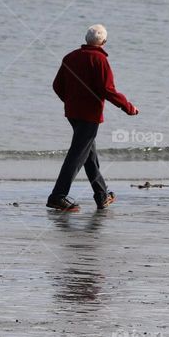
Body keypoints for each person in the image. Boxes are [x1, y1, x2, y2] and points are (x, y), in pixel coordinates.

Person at [47, 24, 138, 212]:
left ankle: (101, 195)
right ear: (104, 42)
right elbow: (108, 90)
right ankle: (57, 196)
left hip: (73, 113)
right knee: (77, 156)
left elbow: (57, 85)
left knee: (89, 155)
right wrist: (128, 107)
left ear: (86, 39)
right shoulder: (100, 60)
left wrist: (70, 100)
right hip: (89, 115)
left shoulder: (70, 57)